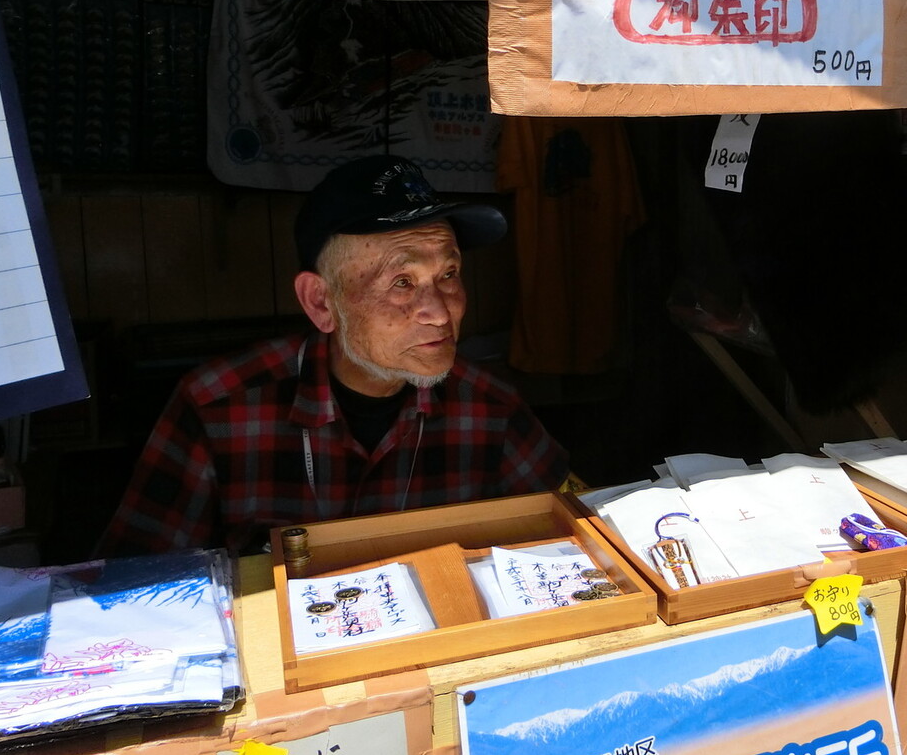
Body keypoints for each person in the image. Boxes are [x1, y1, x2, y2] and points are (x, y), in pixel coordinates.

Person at [98, 155, 569, 556]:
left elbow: (574, 537)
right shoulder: (219, 406)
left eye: (448, 274)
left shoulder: (490, 407)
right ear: (322, 302)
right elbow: (136, 588)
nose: (440, 313)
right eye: (402, 283)